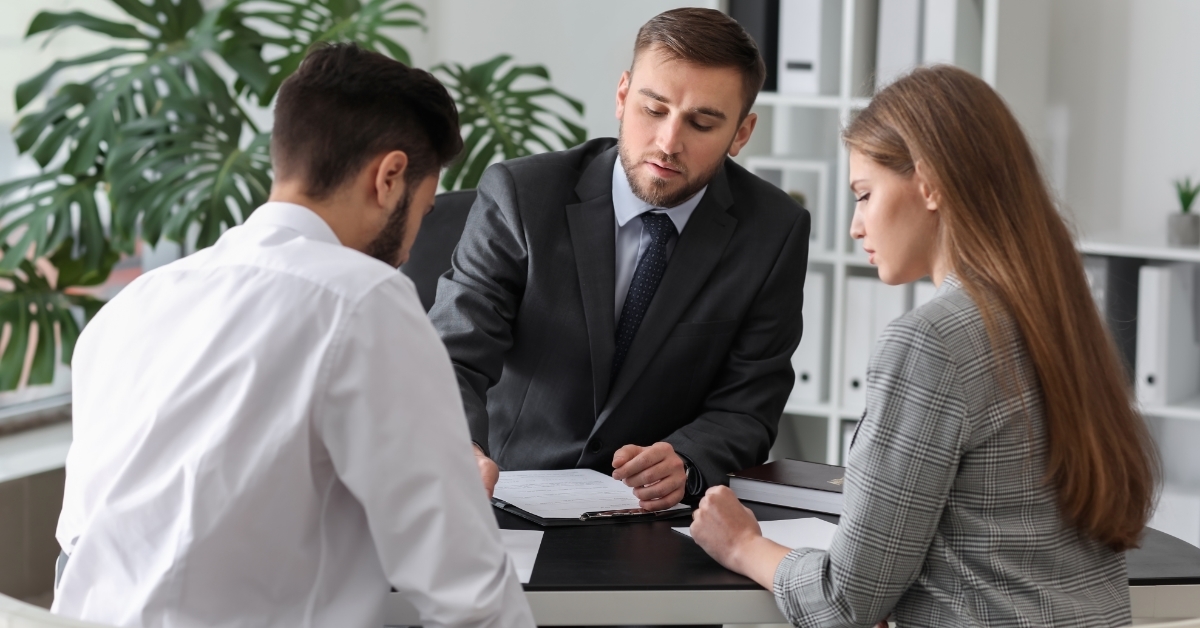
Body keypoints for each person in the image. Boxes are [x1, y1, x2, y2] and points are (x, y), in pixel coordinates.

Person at [53, 43, 535, 628]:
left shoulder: (128, 309)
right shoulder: (362, 298)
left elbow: (80, 540)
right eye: (425, 210)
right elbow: (466, 588)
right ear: (389, 178)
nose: (411, 246)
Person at [688, 65, 1160, 627]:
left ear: (930, 183)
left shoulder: (932, 341)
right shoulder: (1059, 317)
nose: (856, 227)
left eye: (864, 195)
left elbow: (846, 602)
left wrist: (742, 545)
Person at [430, 7, 810, 511]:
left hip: (652, 515)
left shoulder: (773, 230)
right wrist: (463, 449)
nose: (668, 143)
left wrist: (688, 460)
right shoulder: (522, 196)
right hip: (506, 490)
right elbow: (452, 355)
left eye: (701, 123)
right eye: (653, 110)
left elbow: (749, 404)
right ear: (622, 94)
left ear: (741, 134)